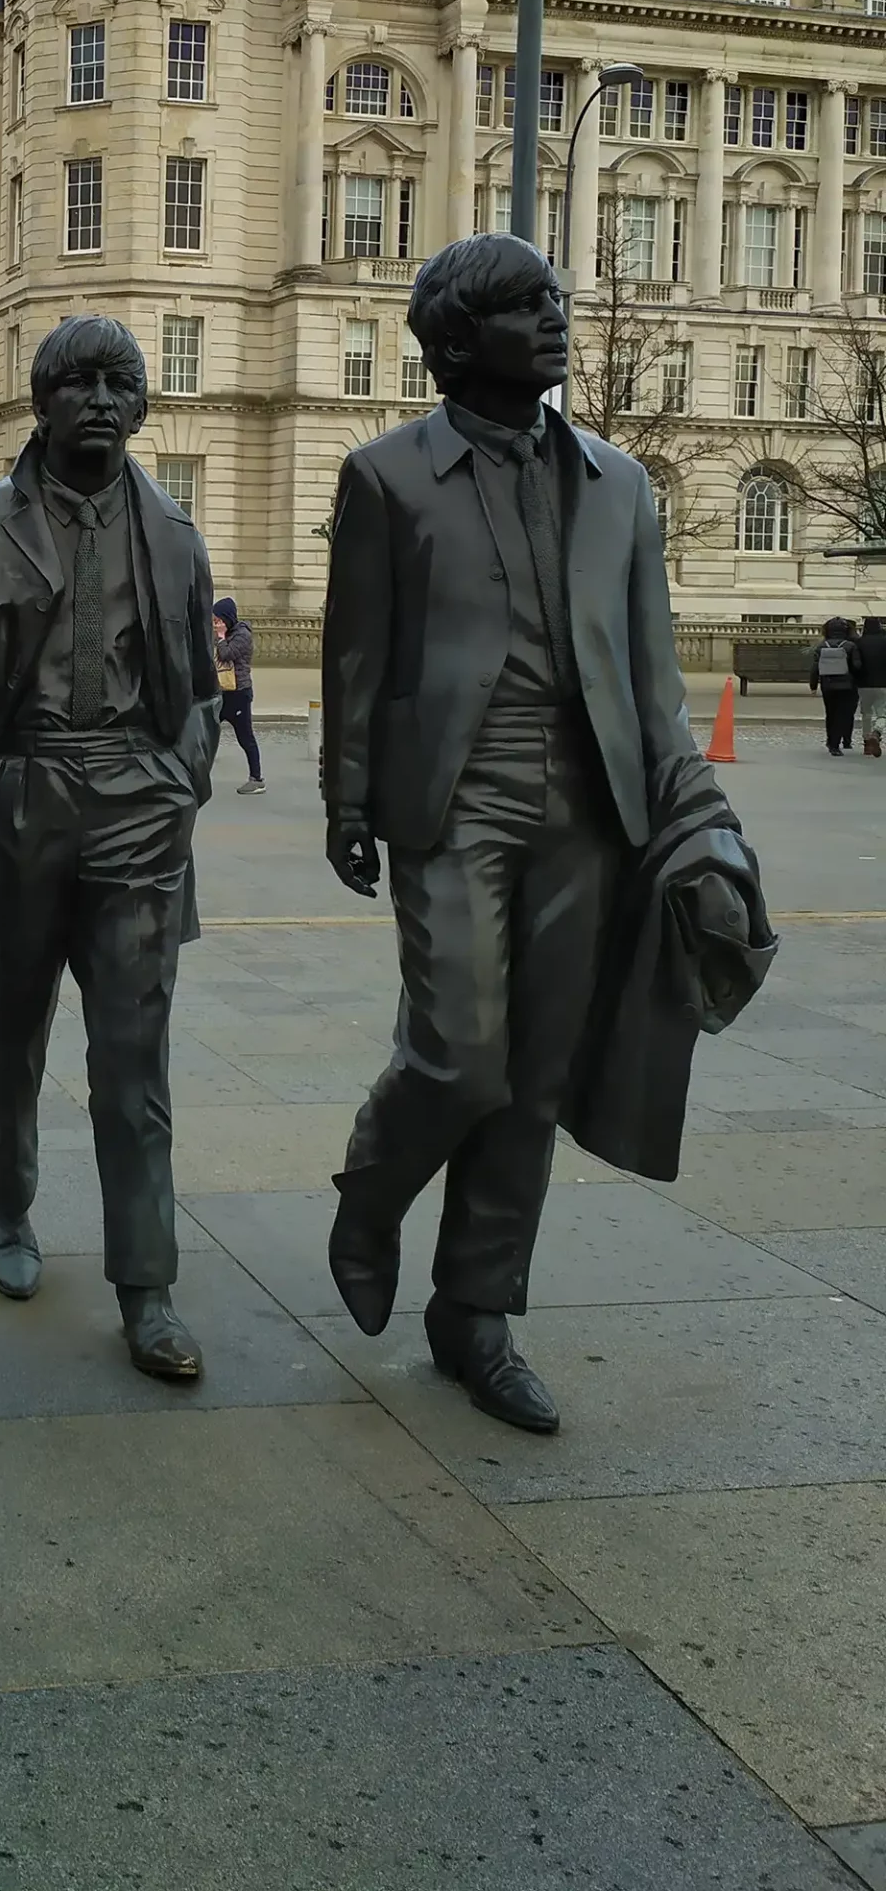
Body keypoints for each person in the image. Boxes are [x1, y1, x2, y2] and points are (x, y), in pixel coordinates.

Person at [321, 234, 745, 1437]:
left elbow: (654, 677)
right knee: (460, 1050)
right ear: (456, 338)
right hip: (454, 792)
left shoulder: (621, 483)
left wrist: (693, 815)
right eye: (522, 304)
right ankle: (374, 1182)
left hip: (591, 804)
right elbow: (355, 658)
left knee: (537, 1075)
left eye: (555, 298)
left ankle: (478, 1315)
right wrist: (348, 800)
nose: (554, 316)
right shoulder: (387, 476)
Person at [0, 316, 221, 1380]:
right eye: (80, 383)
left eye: (122, 383)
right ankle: (5, 1207)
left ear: (144, 406)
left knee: (132, 1057)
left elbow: (199, 685)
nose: (102, 400)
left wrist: (181, 773)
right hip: (21, 793)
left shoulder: (175, 536)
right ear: (42, 402)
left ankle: (146, 1284)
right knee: (8, 1034)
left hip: (138, 804)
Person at [212, 597, 263, 791]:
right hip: (223, 693)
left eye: (219, 619)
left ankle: (257, 779)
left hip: (239, 694)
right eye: (214, 619)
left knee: (245, 737)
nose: (216, 623)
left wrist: (221, 637)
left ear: (228, 618)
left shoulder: (242, 635)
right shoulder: (226, 632)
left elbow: (225, 654)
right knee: (207, 730)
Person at [810, 616, 861, 755]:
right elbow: (857, 666)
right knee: (843, 714)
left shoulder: (821, 646)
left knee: (831, 714)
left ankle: (830, 741)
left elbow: (815, 669)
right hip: (847, 685)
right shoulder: (850, 646)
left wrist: (813, 686)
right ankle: (838, 743)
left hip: (828, 685)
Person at [857, 616, 886, 757]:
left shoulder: (859, 642)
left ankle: (867, 743)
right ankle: (877, 732)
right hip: (883, 683)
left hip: (864, 683)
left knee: (866, 713)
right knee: (882, 713)